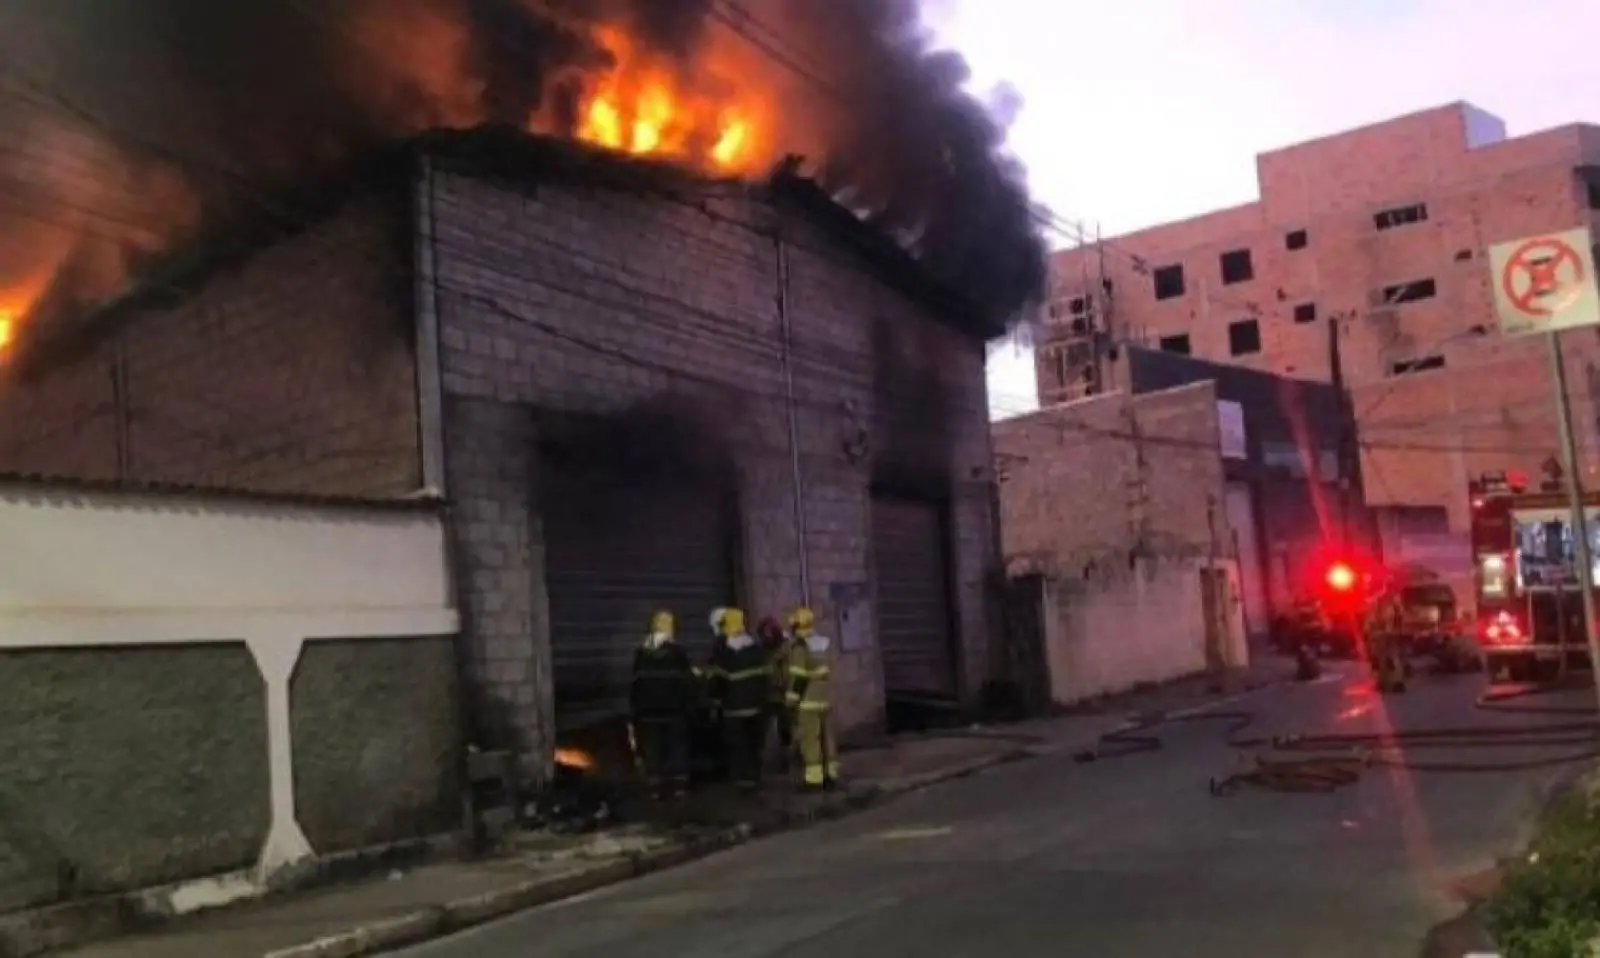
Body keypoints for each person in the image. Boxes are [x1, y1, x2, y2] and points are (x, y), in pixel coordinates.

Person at [629, 609, 696, 799]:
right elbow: (687, 684)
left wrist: (635, 711)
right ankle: (679, 787)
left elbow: (636, 685)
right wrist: (690, 707)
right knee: (677, 748)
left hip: (649, 713)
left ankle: (655, 788)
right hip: (675, 712)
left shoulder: (641, 653)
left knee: (652, 748)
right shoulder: (678, 653)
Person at [707, 607, 772, 791]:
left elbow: (717, 679)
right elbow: (766, 678)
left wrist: (713, 700)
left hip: (734, 709)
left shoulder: (724, 650)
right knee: (754, 745)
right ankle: (755, 779)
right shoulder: (755, 647)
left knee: (738, 746)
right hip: (757, 708)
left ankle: (743, 783)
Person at [785, 606, 840, 791]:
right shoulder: (824, 643)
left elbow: (798, 676)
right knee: (827, 738)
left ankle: (814, 779)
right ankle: (831, 774)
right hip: (825, 699)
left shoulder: (800, 646)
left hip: (808, 701)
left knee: (810, 739)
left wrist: (791, 700)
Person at [755, 615, 794, 774]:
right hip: (768, 694)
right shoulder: (762, 649)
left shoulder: (787, 647)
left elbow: (788, 671)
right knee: (765, 728)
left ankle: (786, 761)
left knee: (786, 729)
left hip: (783, 693)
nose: (767, 637)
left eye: (768, 634)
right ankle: (767, 762)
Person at [1363, 581, 1408, 694]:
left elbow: (1372, 619)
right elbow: (1401, 616)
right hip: (1386, 634)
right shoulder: (1389, 601)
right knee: (1388, 658)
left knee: (1388, 658)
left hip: (1385, 634)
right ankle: (1391, 682)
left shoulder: (1382, 601)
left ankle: (1392, 682)